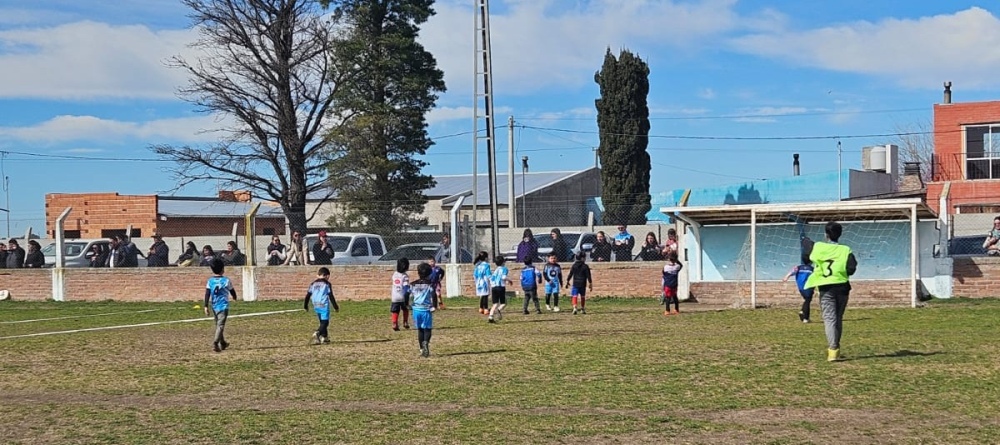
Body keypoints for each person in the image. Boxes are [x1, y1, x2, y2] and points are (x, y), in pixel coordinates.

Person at [803, 221, 858, 362]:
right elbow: (851, 269)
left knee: (829, 319)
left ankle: (832, 350)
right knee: (838, 318)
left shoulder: (819, 247)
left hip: (826, 288)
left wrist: (806, 240)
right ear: (840, 234)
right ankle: (836, 349)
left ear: (826, 235)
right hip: (842, 287)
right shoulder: (846, 250)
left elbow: (806, 251)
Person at [203, 258, 238, 353]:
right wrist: (235, 297)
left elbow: (207, 293)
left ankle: (222, 343)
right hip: (223, 306)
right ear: (223, 269)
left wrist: (206, 306)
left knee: (218, 324)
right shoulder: (226, 280)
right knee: (221, 325)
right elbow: (232, 290)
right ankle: (215, 342)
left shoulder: (210, 281)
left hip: (214, 305)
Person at [304, 267, 339, 345]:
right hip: (323, 304)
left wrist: (305, 306)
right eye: (328, 277)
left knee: (322, 322)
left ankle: (324, 338)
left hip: (316, 304)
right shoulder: (327, 284)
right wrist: (335, 306)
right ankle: (318, 333)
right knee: (325, 322)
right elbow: (331, 295)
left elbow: (308, 295)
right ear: (326, 276)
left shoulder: (312, 284)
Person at [410, 262, 438, 358]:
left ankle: (421, 349)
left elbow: (407, 294)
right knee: (427, 329)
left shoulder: (413, 284)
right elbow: (434, 295)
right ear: (430, 274)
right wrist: (434, 305)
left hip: (416, 309)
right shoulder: (430, 285)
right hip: (426, 309)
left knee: (420, 330)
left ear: (418, 273)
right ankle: (426, 342)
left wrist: (408, 304)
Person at [783, 257, 815, 323]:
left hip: (801, 288)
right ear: (811, 262)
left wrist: (786, 277)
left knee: (807, 300)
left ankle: (804, 313)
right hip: (808, 286)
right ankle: (805, 317)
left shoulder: (798, 267)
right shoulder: (812, 269)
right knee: (807, 301)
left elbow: (792, 272)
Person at [487, 256, 512, 323]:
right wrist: (509, 280)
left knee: (495, 303)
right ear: (503, 262)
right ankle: (498, 310)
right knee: (504, 303)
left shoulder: (496, 270)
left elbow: (491, 278)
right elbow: (503, 277)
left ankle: (490, 316)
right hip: (500, 287)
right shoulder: (504, 269)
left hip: (494, 287)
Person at [390, 258, 411, 331]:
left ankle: (394, 323)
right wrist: (407, 296)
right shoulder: (405, 276)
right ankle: (405, 322)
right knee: (405, 309)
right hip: (402, 296)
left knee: (395, 311)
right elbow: (406, 288)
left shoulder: (394, 274)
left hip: (394, 296)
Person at [661, 250, 682, 315]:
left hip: (667, 284)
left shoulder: (666, 267)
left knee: (668, 297)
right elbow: (681, 265)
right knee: (675, 296)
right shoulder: (677, 267)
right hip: (674, 284)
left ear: (669, 259)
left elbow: (663, 273)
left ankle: (667, 310)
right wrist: (676, 260)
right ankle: (676, 309)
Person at [473, 251, 492, 315]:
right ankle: (486, 309)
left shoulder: (477, 265)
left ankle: (481, 308)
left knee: (482, 295)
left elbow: (475, 275)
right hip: (484, 282)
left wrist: (476, 281)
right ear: (486, 258)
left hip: (478, 281)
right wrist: (492, 280)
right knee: (485, 295)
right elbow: (488, 274)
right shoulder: (486, 265)